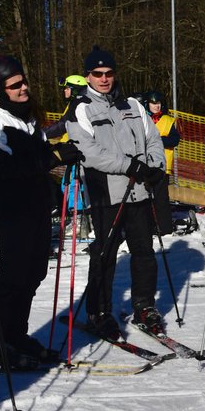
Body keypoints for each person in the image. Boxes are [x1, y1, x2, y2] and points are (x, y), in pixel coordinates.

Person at [0, 56, 82, 369]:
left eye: (23, 81)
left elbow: (37, 155)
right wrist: (53, 157)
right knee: (13, 273)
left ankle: (13, 334)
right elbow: (6, 168)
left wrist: (53, 176)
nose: (23, 87)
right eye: (15, 85)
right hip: (9, 205)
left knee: (34, 271)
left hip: (34, 203)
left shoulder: (23, 114)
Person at [65, 47, 166, 339]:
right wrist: (129, 166)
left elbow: (153, 138)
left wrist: (152, 166)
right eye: (97, 74)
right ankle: (100, 310)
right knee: (105, 254)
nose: (104, 79)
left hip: (139, 191)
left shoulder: (133, 104)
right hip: (105, 193)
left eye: (108, 73)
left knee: (144, 252)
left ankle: (144, 305)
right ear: (88, 77)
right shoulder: (80, 109)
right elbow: (90, 152)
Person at [142, 90, 179, 235]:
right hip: (145, 164)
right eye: (153, 104)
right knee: (144, 197)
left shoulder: (168, 121)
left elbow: (175, 140)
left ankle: (165, 227)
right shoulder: (143, 119)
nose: (156, 106)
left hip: (163, 166)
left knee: (161, 198)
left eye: (158, 104)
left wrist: (157, 140)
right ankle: (147, 225)